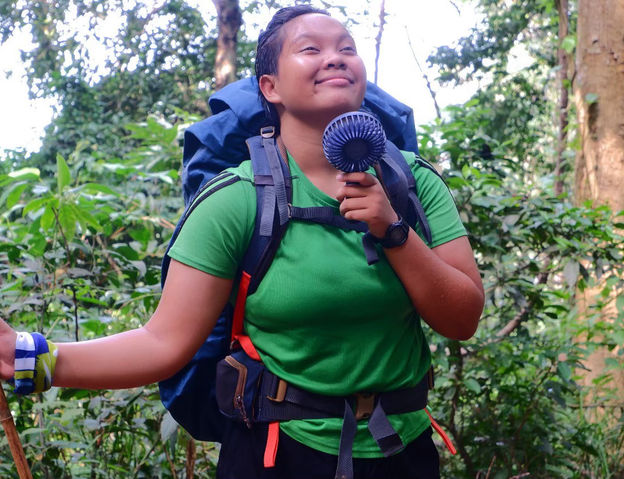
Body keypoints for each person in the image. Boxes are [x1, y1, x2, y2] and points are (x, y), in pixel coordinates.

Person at [0, 5, 484, 479]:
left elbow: (462, 319)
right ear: (269, 87)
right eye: (311, 48)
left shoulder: (414, 183)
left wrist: (394, 230)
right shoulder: (237, 199)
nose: (336, 58)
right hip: (279, 454)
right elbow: (163, 342)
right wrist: (30, 356)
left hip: (403, 449)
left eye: (347, 49)